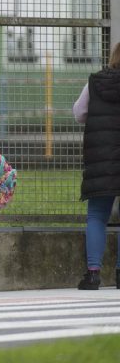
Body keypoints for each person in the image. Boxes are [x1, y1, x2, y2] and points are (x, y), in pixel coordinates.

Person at [72, 42, 120, 290]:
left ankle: (92, 275)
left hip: (101, 156)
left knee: (97, 216)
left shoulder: (95, 82)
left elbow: (79, 112)